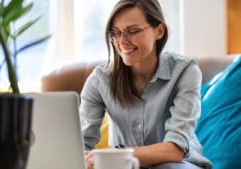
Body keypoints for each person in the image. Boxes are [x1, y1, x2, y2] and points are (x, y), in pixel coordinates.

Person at [80, 0, 212, 169]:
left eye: (133, 31)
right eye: (116, 33)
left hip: (180, 165)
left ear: (159, 31)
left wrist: (115, 156)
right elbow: (80, 145)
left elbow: (175, 149)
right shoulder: (100, 80)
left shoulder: (185, 72)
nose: (122, 41)